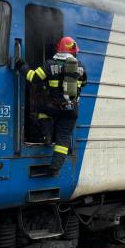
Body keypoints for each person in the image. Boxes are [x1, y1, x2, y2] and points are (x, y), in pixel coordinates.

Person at [18, 36, 87, 175]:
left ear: (59, 49)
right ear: (73, 51)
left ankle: (47, 136)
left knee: (40, 107)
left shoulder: (50, 64)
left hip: (54, 107)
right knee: (63, 137)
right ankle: (55, 168)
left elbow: (33, 77)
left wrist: (22, 65)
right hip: (72, 109)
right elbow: (84, 83)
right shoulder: (80, 66)